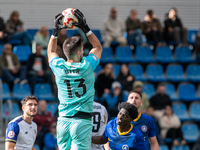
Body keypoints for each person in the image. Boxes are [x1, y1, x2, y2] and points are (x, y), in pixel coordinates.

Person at [47, 9, 102, 150]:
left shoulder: (58, 66)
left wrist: (55, 31)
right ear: (78, 52)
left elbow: (51, 52)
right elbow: (98, 47)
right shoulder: (87, 66)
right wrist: (85, 28)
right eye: (82, 48)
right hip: (81, 121)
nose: (83, 50)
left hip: (63, 121)